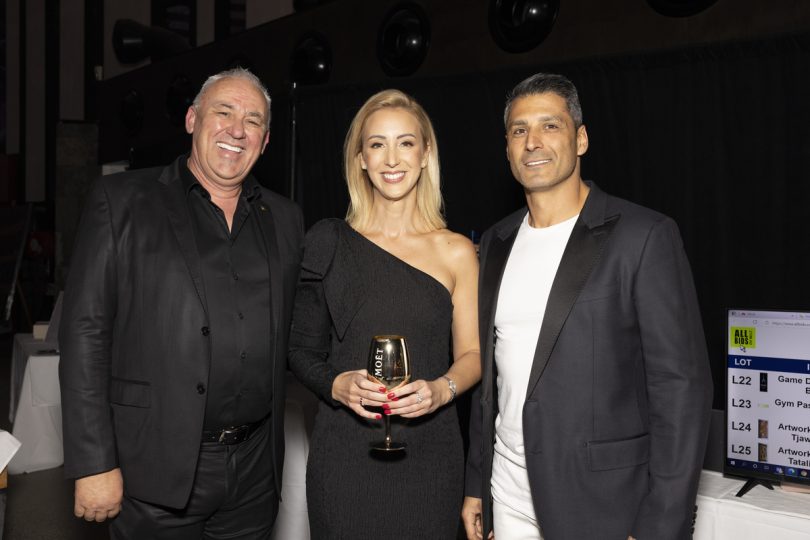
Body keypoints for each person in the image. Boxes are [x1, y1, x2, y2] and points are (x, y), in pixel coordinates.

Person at [461, 73, 713, 540]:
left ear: (581, 138)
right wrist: (478, 481)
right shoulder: (496, 241)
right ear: (507, 148)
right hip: (509, 495)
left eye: (549, 126)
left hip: (604, 505)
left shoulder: (644, 237)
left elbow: (682, 390)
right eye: (519, 130)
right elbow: (493, 381)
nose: (532, 142)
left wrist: (660, 524)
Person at [59, 67, 304, 539]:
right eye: (224, 112)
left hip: (254, 473)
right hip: (151, 469)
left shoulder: (286, 219)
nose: (238, 129)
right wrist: (93, 462)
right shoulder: (122, 202)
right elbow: (85, 334)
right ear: (192, 119)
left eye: (253, 120)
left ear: (266, 140)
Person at [289, 89, 480, 538]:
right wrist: (336, 384)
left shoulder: (455, 251)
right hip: (344, 459)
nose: (391, 158)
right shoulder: (328, 242)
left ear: (426, 153)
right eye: (377, 144)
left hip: (430, 459)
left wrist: (441, 390)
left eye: (405, 142)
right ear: (360, 158)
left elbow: (472, 354)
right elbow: (299, 350)